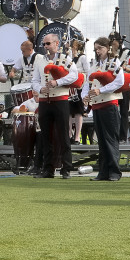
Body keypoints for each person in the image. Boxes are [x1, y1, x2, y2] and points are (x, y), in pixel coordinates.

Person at [31, 34, 78, 179]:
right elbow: (34, 80)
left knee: (63, 135)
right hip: (45, 101)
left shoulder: (65, 59)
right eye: (44, 44)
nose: (45, 47)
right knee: (46, 136)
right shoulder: (39, 60)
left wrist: (58, 82)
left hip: (60, 100)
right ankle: (48, 169)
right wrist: (39, 89)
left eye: (48, 43)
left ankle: (66, 169)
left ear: (56, 43)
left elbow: (74, 75)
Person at [84, 36, 124, 182]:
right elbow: (86, 85)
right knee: (101, 139)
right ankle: (103, 171)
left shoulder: (115, 63)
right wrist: (85, 97)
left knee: (110, 139)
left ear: (107, 48)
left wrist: (101, 91)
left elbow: (119, 82)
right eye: (96, 49)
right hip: (96, 105)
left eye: (100, 48)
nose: (98, 51)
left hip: (109, 104)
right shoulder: (94, 66)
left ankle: (114, 172)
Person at [68, 40, 89, 145]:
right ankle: (69, 135)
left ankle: (77, 137)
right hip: (69, 88)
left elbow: (88, 72)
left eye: (73, 47)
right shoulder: (69, 58)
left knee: (78, 112)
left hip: (79, 87)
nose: (72, 49)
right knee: (68, 112)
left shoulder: (82, 57)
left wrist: (78, 74)